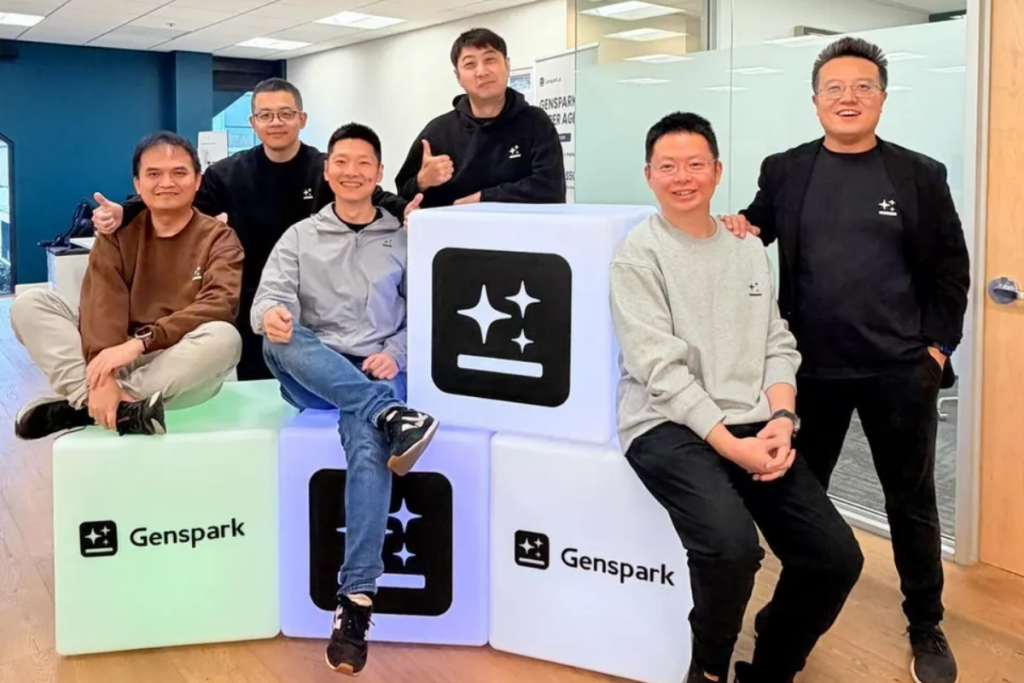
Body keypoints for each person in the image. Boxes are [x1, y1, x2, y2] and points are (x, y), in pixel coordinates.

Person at [721, 38, 970, 683]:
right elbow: (756, 227)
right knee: (803, 499)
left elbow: (950, 272)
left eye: (863, 87)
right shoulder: (785, 169)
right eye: (834, 88)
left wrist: (937, 351)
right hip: (809, 373)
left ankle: (925, 621)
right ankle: (790, 618)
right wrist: (729, 225)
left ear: (883, 99)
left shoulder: (920, 174)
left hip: (900, 372)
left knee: (910, 502)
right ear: (815, 100)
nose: (848, 98)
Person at [610, 112, 863, 683]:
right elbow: (661, 372)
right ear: (649, 175)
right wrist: (731, 446)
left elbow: (776, 340)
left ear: (718, 171)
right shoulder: (638, 255)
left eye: (696, 164)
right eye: (668, 167)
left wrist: (781, 416)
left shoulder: (749, 248)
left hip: (753, 421)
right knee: (731, 548)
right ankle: (707, 670)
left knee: (835, 558)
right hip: (665, 423)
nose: (683, 178)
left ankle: (771, 667)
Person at [251, 123, 439, 676]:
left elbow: (425, 309)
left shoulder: (403, 237)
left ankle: (355, 602)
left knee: (367, 448)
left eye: (363, 162)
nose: (351, 171)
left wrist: (398, 353)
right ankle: (390, 413)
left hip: (379, 365)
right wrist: (273, 316)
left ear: (378, 173)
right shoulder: (299, 236)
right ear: (327, 171)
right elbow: (269, 300)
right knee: (279, 338)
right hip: (312, 365)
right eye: (341, 161)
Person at [90, 78, 420, 381]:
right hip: (250, 297)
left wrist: (409, 211)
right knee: (260, 391)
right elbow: (176, 195)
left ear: (302, 120)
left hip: (315, 306)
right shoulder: (228, 173)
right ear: (253, 123)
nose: (276, 122)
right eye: (266, 115)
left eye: (285, 113)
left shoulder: (326, 169)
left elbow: (374, 197)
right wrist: (128, 209)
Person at [11, 132, 243, 440]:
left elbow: (218, 305)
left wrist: (141, 342)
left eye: (179, 173)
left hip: (174, 365)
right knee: (31, 304)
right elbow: (102, 303)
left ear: (197, 181)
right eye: (154, 174)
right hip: (116, 356)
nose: (167, 183)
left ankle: (84, 406)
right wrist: (105, 369)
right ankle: (118, 406)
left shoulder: (220, 238)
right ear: (137, 184)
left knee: (224, 338)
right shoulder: (118, 233)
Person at [394, 28, 566, 208]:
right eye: (470, 64)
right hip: (455, 233)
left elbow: (551, 189)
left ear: (507, 65)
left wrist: (483, 199)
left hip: (522, 233)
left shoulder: (535, 122)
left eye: (490, 60)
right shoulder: (438, 131)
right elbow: (402, 195)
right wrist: (422, 182)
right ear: (458, 77)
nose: (482, 72)